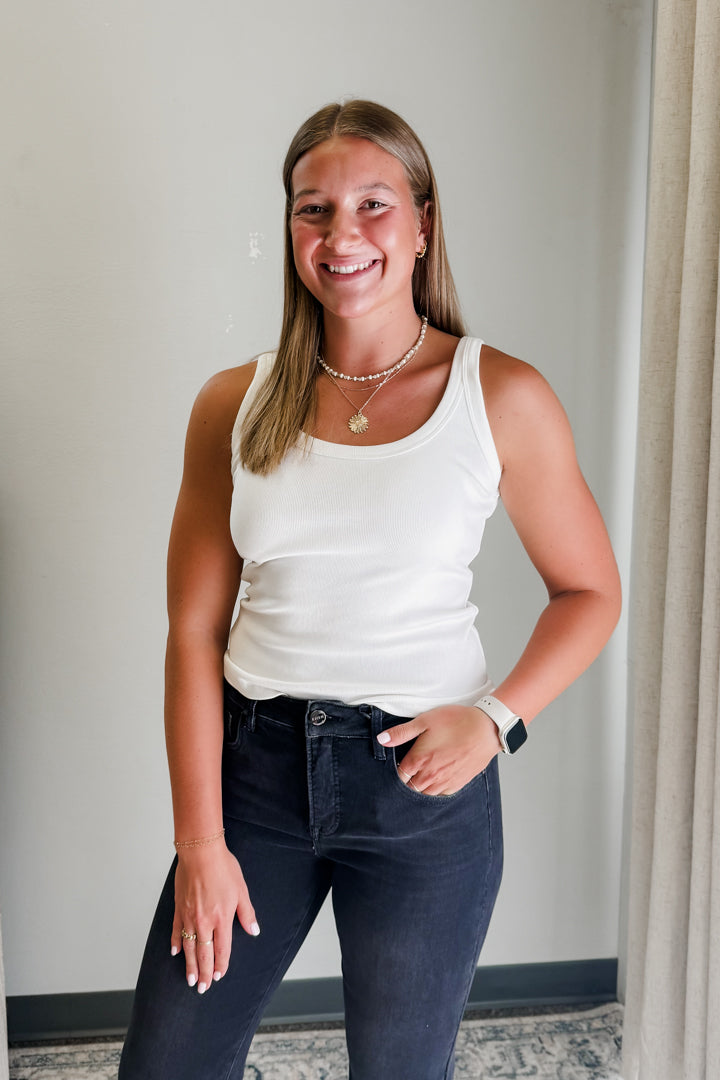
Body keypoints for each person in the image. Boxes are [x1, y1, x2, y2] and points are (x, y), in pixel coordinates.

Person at [118, 99, 621, 1079]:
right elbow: (190, 635)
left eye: (373, 205)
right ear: (291, 231)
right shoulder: (236, 402)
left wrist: (496, 718)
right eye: (314, 210)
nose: (341, 234)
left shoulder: (500, 397)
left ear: (425, 223)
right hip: (255, 776)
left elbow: (588, 591)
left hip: (421, 793)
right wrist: (200, 845)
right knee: (167, 1062)